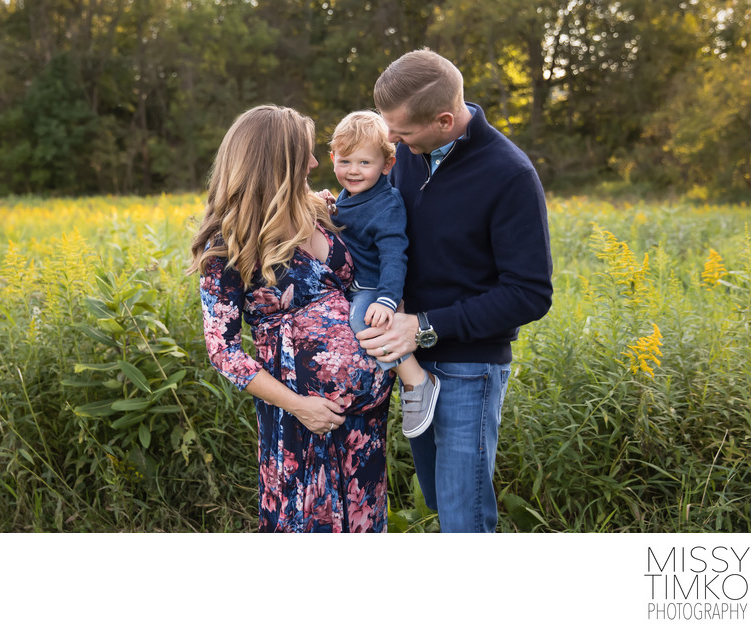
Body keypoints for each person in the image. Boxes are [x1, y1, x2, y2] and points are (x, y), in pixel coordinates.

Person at [357, 49, 554, 532]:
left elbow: (530, 293)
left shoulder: (509, 175)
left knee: (463, 518)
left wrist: (422, 327)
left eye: (401, 132)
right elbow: (384, 224)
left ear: (445, 120)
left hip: (468, 367)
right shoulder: (407, 154)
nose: (392, 141)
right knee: (440, 500)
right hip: (412, 364)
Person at [188, 105, 394, 533]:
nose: (318, 163)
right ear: (276, 160)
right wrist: (300, 406)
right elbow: (222, 351)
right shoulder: (230, 242)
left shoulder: (328, 210)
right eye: (306, 153)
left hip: (363, 422)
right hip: (301, 420)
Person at [327, 110, 440, 438]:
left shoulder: (386, 205)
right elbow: (343, 219)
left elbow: (394, 257)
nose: (353, 171)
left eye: (365, 163)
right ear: (333, 159)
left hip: (377, 286)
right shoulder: (348, 196)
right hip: (356, 281)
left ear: (387, 165)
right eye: (345, 161)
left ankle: (416, 380)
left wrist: (388, 300)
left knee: (363, 321)